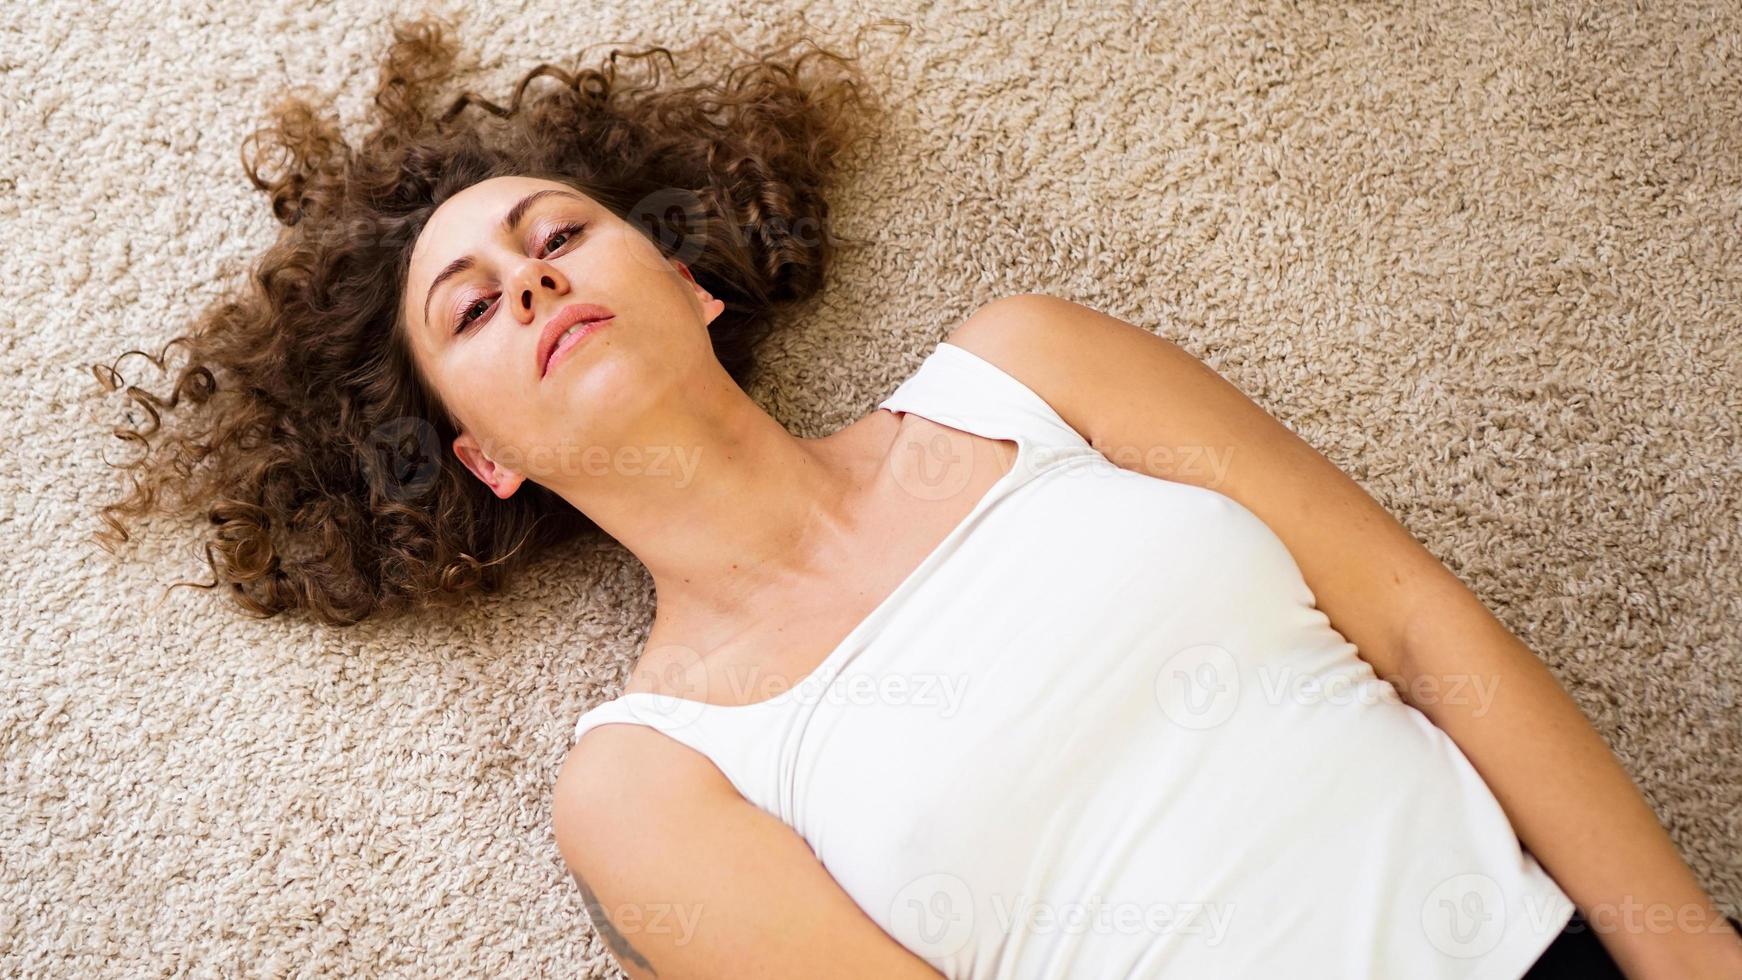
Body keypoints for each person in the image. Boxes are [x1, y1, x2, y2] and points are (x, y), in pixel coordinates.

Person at [91, 16, 1742, 980]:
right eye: (470, 309)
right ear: (486, 459)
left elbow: (1412, 616)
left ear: (688, 278)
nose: (527, 280)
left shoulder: (1026, 368)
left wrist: (1686, 953)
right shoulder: (647, 783)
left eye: (558, 236)